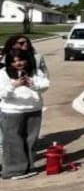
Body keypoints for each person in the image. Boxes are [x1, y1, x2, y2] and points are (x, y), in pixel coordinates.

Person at [0, 49, 50, 179]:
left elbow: (46, 85)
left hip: (33, 109)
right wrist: (14, 85)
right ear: (9, 63)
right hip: (12, 111)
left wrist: (32, 85)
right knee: (13, 142)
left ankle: (29, 167)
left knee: (30, 140)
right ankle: (13, 171)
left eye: (21, 60)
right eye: (14, 61)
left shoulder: (34, 72)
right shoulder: (3, 74)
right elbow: (2, 93)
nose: (18, 63)